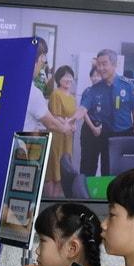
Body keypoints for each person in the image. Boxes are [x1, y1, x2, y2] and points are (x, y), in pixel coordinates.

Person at [78, 49, 134, 177]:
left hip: (125, 134)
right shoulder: (96, 88)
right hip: (106, 134)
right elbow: (83, 109)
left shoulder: (128, 86)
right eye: (98, 64)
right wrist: (73, 118)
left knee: (124, 171)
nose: (100, 68)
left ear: (114, 64)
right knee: (106, 168)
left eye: (104, 64)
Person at [44, 66, 85, 199]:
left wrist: (73, 125)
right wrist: (67, 124)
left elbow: (74, 116)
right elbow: (55, 115)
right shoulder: (56, 94)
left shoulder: (72, 97)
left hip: (68, 135)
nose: (68, 79)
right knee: (54, 164)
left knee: (64, 165)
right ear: (58, 79)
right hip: (57, 133)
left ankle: (58, 198)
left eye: (70, 76)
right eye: (64, 76)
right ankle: (49, 199)